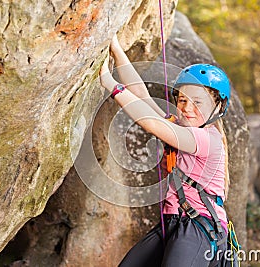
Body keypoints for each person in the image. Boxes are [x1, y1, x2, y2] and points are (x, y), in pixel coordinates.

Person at [99, 34, 232, 267]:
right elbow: (141, 95)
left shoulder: (206, 139)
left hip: (198, 228)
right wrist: (116, 49)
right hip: (172, 223)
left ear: (217, 107)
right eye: (182, 100)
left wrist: (109, 83)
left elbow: (150, 122)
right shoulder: (181, 128)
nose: (187, 108)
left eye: (197, 102)